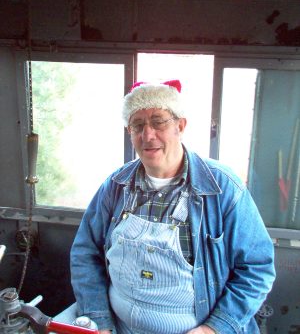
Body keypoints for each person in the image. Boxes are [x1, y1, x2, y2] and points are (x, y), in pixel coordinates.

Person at [70, 80, 275, 334]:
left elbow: (257, 269)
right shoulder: (115, 186)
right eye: (138, 125)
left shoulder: (222, 187)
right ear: (129, 132)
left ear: (180, 125)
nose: (148, 135)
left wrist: (213, 329)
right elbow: (85, 254)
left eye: (159, 121)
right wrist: (99, 320)